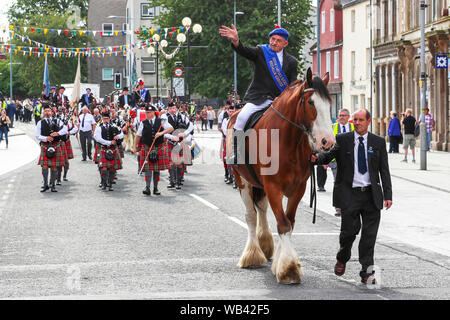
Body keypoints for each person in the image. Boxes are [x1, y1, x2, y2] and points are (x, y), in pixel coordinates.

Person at [311, 109, 392, 284]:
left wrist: (388, 194)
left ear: (368, 121)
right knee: (348, 233)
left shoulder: (378, 142)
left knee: (369, 237)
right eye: (355, 119)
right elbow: (328, 157)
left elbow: (384, 170)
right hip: (350, 195)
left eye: (361, 120)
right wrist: (314, 158)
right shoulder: (342, 140)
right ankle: (342, 257)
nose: (357, 122)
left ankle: (367, 272)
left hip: (371, 196)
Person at [219, 24, 298, 163]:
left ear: (285, 43)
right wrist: (236, 41)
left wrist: (282, 99)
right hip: (258, 98)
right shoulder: (262, 52)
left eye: (278, 40)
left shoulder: (292, 62)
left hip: (280, 101)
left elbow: (292, 85)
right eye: (272, 39)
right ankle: (237, 152)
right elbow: (244, 51)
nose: (274, 42)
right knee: (242, 117)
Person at [133, 104, 174, 196]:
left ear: (153, 113)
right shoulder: (143, 123)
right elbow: (138, 136)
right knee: (148, 169)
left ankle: (156, 188)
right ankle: (147, 187)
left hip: (158, 147)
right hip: (147, 147)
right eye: (146, 112)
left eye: (148, 112)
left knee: (156, 170)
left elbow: (171, 128)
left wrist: (161, 133)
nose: (147, 114)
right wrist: (134, 147)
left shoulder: (161, 121)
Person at [35, 104, 68, 192]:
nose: (47, 112)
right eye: (45, 111)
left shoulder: (57, 121)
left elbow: (65, 129)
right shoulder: (40, 122)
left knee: (54, 166)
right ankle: (45, 184)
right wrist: (46, 138)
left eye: (48, 111)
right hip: (45, 146)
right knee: (44, 166)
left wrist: (58, 133)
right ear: (43, 112)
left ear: (51, 112)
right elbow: (37, 135)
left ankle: (52, 185)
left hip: (56, 145)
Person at [329, 108, 355, 216]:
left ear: (348, 117)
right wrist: (326, 160)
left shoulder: (354, 127)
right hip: (336, 161)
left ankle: (349, 206)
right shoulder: (333, 127)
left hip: (352, 161)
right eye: (340, 115)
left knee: (351, 183)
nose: (341, 117)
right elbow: (327, 144)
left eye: (344, 115)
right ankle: (338, 208)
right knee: (338, 183)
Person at [165, 102, 194, 190]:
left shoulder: (182, 117)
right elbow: (163, 132)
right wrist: (172, 137)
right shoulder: (165, 118)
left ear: (176, 108)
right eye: (171, 108)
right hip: (170, 141)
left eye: (174, 108)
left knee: (180, 162)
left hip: (181, 142)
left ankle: (179, 181)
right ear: (168, 109)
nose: (173, 110)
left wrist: (184, 133)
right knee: (171, 162)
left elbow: (191, 127)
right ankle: (172, 181)